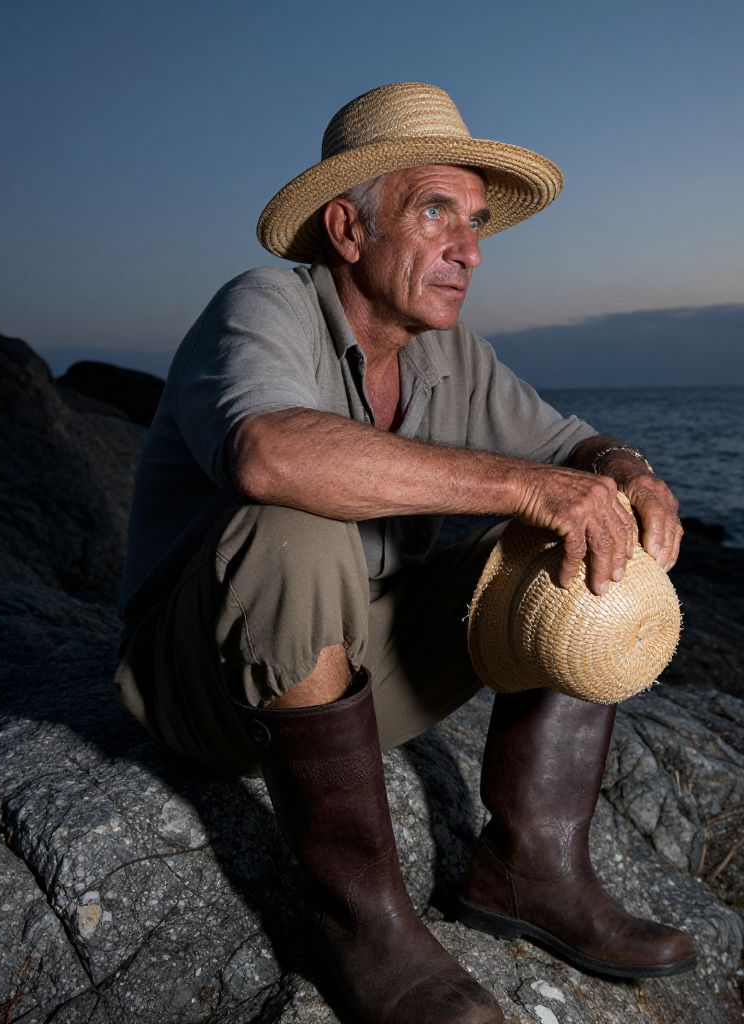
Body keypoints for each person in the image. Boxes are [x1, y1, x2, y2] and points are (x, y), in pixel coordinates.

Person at [115, 82, 695, 1024]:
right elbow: (267, 454)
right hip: (206, 684)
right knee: (293, 515)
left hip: (354, 682)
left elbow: (575, 450)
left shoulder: (450, 355)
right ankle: (358, 921)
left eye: (476, 222)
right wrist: (525, 487)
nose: (470, 249)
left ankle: (529, 870)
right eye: (436, 212)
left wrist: (630, 474)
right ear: (348, 229)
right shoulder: (263, 304)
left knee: (583, 531)